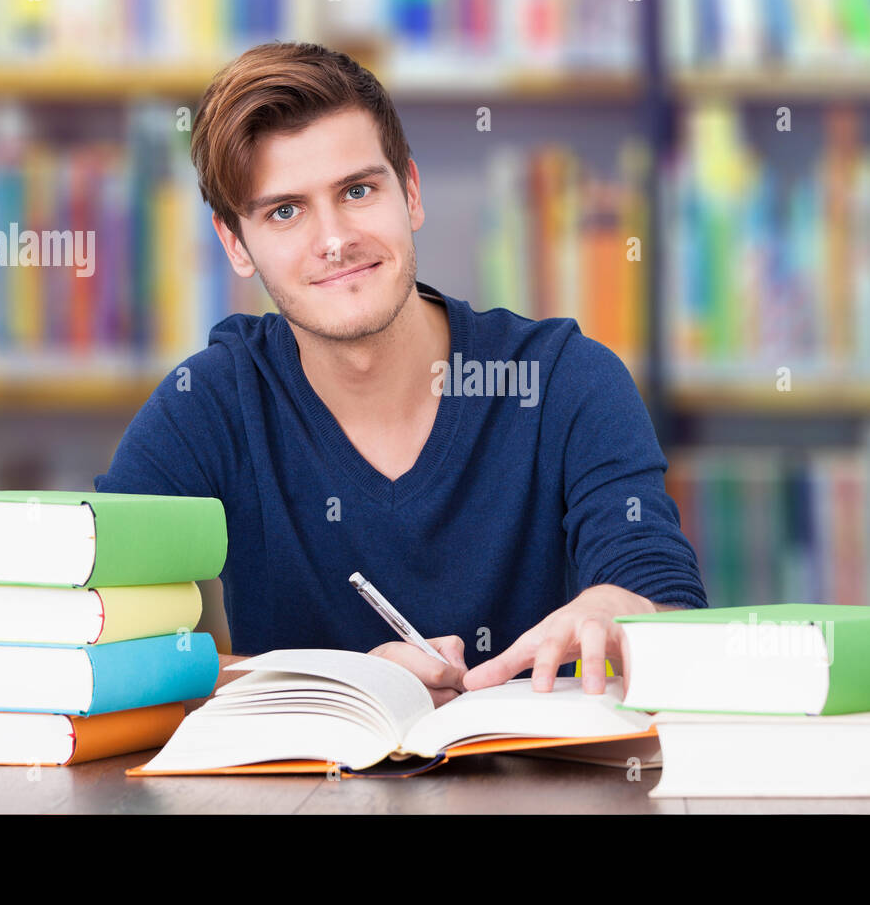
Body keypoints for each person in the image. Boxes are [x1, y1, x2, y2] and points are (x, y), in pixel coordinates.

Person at [94, 41, 706, 706]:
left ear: (410, 193)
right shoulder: (208, 403)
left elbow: (663, 598)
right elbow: (101, 633)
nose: (334, 239)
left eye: (357, 190)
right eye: (285, 212)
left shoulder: (566, 379)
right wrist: (343, 684)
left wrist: (619, 608)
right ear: (235, 244)